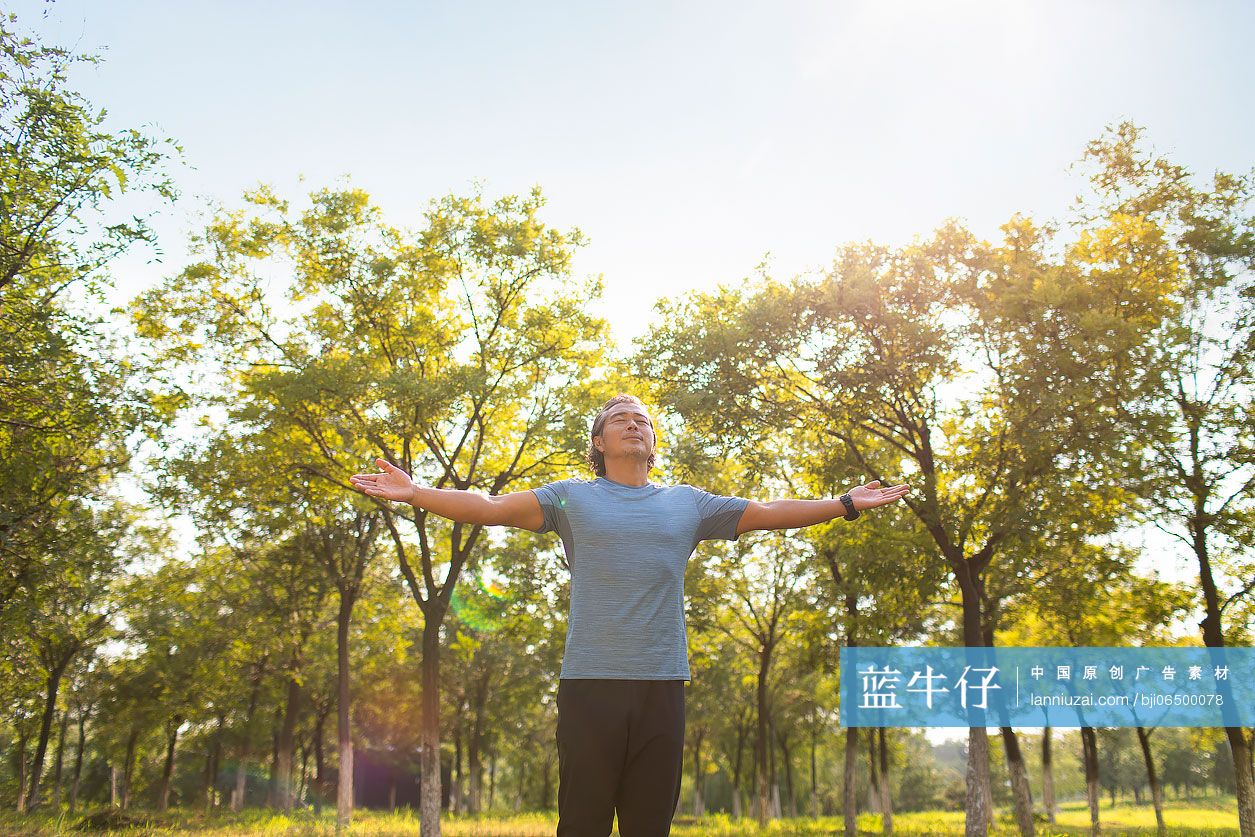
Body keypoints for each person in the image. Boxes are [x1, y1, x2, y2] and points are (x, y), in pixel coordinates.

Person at [349, 394, 910, 836]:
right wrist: (417, 492)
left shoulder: (687, 503)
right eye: (620, 419)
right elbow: (492, 509)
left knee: (649, 825)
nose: (634, 424)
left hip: (662, 683)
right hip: (590, 683)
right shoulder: (569, 497)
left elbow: (764, 512)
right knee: (584, 823)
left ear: (653, 442)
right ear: (598, 442)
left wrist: (843, 505)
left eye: (642, 420)